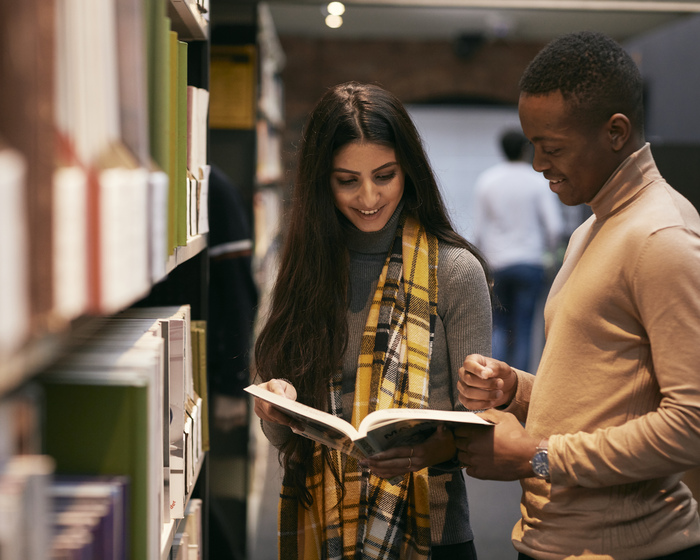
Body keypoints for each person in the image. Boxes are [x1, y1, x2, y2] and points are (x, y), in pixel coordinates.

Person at [454, 31, 700, 560]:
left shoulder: (660, 239)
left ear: (615, 132)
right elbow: (604, 393)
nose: (539, 163)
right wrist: (514, 389)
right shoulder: (592, 228)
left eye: (553, 146)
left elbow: (691, 426)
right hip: (557, 541)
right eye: (533, 144)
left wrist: (538, 457)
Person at [251, 82, 492, 560]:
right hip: (322, 529)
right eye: (347, 180)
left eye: (385, 175)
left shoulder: (456, 271)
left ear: (410, 170)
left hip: (431, 532)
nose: (368, 197)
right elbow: (281, 437)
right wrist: (276, 405)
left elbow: (481, 427)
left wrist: (431, 452)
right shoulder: (304, 269)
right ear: (323, 181)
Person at [473, 129, 563, 371]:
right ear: (526, 149)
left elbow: (479, 232)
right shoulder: (537, 182)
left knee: (499, 326)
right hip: (529, 263)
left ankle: (492, 381)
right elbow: (555, 227)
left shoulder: (487, 180)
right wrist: (550, 257)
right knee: (524, 328)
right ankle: (519, 386)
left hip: (497, 263)